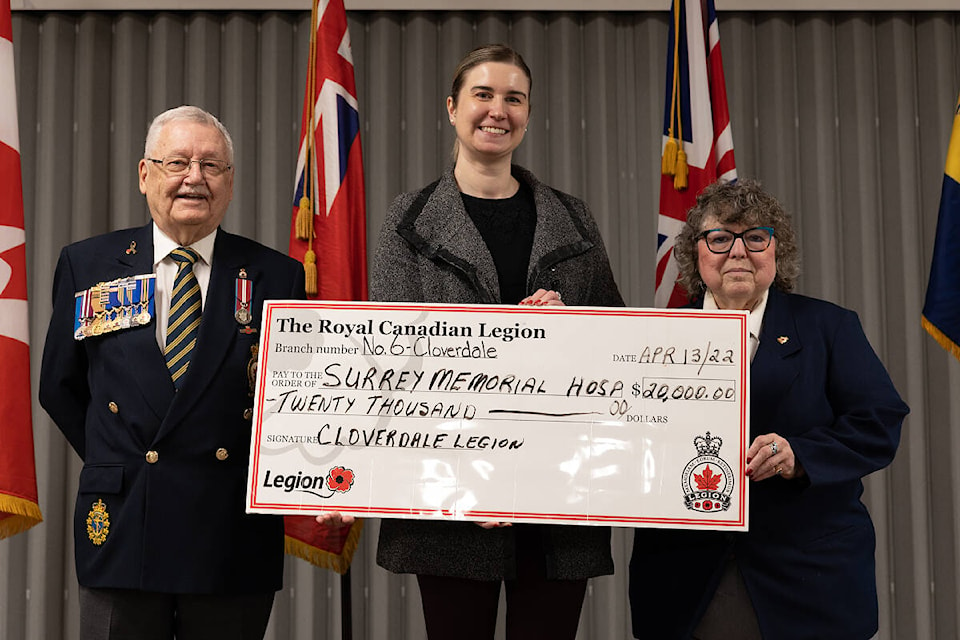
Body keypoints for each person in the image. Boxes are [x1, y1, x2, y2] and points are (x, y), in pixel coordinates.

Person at [368, 43, 624, 639]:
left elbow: (616, 350)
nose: (497, 110)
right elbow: (388, 366)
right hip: (454, 506)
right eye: (483, 94)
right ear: (452, 108)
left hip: (559, 498)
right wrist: (463, 482)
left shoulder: (575, 218)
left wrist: (571, 325)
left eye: (514, 98)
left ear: (528, 116)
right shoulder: (407, 221)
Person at [39, 105, 305, 640]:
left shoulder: (277, 274)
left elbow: (295, 399)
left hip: (229, 528)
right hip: (123, 522)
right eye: (177, 162)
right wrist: (120, 455)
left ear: (230, 183)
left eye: (211, 166)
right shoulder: (88, 265)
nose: (194, 178)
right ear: (145, 174)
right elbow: (59, 387)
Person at [628, 179, 909, 640]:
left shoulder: (828, 327)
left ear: (776, 251)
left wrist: (800, 455)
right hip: (688, 580)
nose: (738, 251)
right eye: (720, 238)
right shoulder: (651, 337)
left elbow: (878, 423)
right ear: (695, 254)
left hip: (809, 579)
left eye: (755, 237)